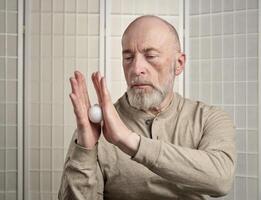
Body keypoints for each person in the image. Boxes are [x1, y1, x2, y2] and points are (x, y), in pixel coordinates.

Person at [58, 15, 236, 200]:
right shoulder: (95, 129)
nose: (136, 68)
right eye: (128, 57)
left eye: (150, 56)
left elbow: (221, 180)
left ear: (179, 64)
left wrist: (128, 141)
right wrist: (85, 150)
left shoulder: (209, 118)